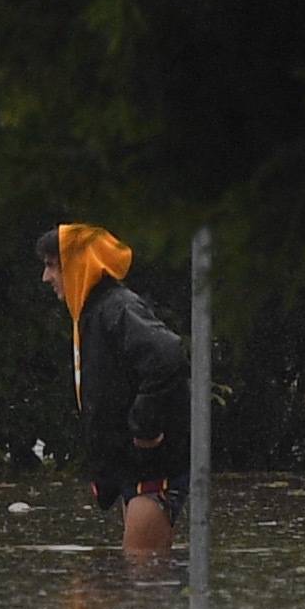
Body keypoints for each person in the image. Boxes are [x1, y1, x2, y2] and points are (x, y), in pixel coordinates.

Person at [40, 223, 188, 555]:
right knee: (136, 584)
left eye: (52, 266)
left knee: (142, 573)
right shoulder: (94, 314)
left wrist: (145, 427)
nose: (46, 277)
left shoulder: (117, 308)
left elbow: (166, 355)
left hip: (152, 467)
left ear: (77, 265)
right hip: (132, 467)